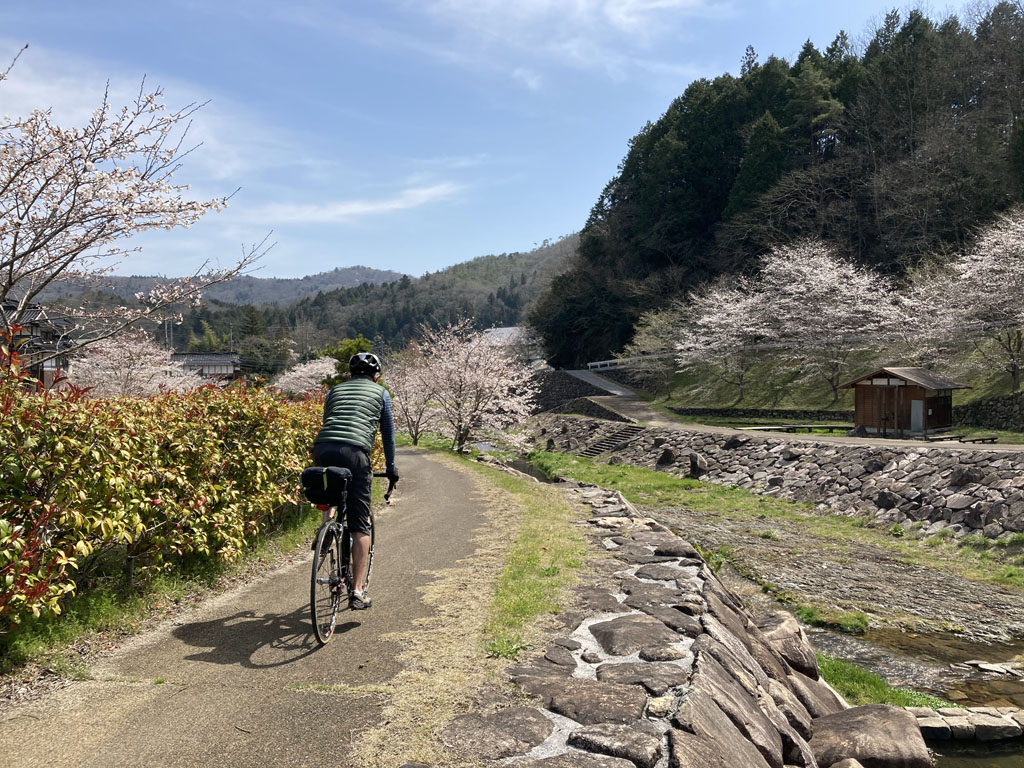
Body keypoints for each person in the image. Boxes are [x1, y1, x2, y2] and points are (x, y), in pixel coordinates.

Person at [312, 351, 398, 610]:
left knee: (332, 488)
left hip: (323, 447)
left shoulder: (334, 391)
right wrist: (391, 469)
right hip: (356, 452)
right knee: (361, 524)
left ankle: (326, 526)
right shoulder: (381, 393)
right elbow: (388, 435)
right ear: (376, 376)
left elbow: (329, 421)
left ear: (350, 375)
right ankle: (358, 591)